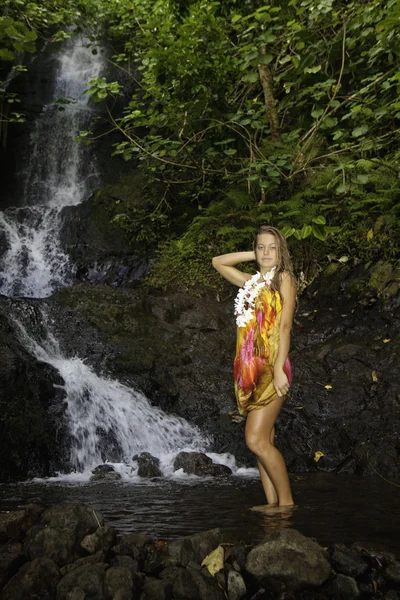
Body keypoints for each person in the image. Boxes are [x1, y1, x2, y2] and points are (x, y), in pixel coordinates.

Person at [212, 225, 296, 508]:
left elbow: (284, 327)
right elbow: (218, 262)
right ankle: (272, 503)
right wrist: (255, 255)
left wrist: (279, 369)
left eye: (273, 247)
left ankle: (286, 505)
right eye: (261, 247)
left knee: (255, 440)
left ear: (281, 250)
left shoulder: (283, 278)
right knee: (265, 441)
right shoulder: (251, 283)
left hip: (272, 368)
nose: (266, 252)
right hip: (250, 370)